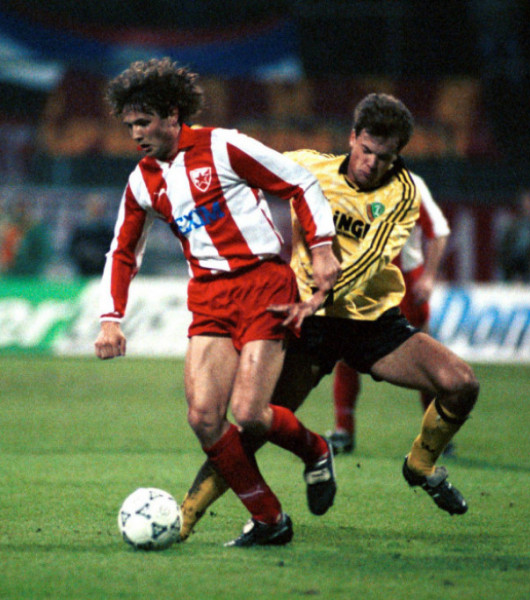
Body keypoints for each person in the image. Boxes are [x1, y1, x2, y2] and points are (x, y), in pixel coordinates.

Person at [179, 93, 479, 541]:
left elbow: (371, 261)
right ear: (353, 137)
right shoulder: (307, 167)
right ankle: (185, 517)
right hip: (308, 323)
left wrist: (319, 294)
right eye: (367, 150)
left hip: (371, 323)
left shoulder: (403, 194)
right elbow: (243, 169)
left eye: (385, 157)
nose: (372, 164)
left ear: (398, 155)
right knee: (255, 422)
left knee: (461, 383)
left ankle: (420, 464)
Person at [93, 57, 342, 548]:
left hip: (263, 286)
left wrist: (321, 246)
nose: (136, 134)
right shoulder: (142, 181)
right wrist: (110, 320)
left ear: (172, 113)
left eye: (144, 122)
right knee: (204, 417)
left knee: (249, 413)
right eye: (129, 125)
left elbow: (300, 180)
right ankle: (270, 520)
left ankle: (316, 450)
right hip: (208, 296)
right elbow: (122, 251)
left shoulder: (223, 146)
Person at [327, 173, 451, 455]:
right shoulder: (349, 178)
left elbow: (439, 231)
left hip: (405, 281)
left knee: (426, 361)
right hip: (361, 281)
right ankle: (343, 431)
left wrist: (429, 277)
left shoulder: (412, 185)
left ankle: (436, 435)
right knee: (345, 355)